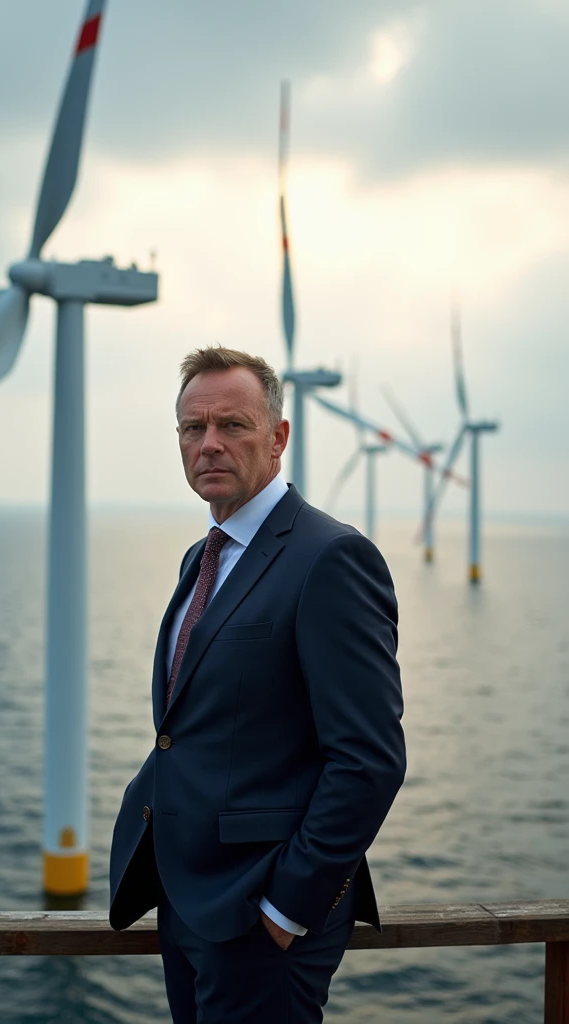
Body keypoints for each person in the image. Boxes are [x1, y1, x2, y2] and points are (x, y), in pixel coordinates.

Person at [109, 347, 406, 1023]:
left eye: (233, 425)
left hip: (260, 921)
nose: (209, 444)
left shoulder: (331, 558)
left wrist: (286, 908)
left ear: (278, 438)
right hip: (188, 903)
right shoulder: (203, 556)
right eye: (192, 428)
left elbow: (369, 759)